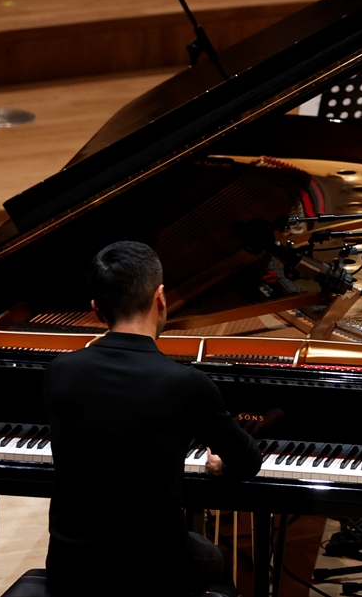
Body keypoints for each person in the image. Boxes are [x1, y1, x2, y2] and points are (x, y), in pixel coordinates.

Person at [45, 241, 262, 596]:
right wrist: (222, 465)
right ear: (160, 298)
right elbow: (249, 461)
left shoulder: (59, 371)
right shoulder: (186, 382)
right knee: (215, 562)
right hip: (154, 567)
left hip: (71, 565)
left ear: (96, 310)